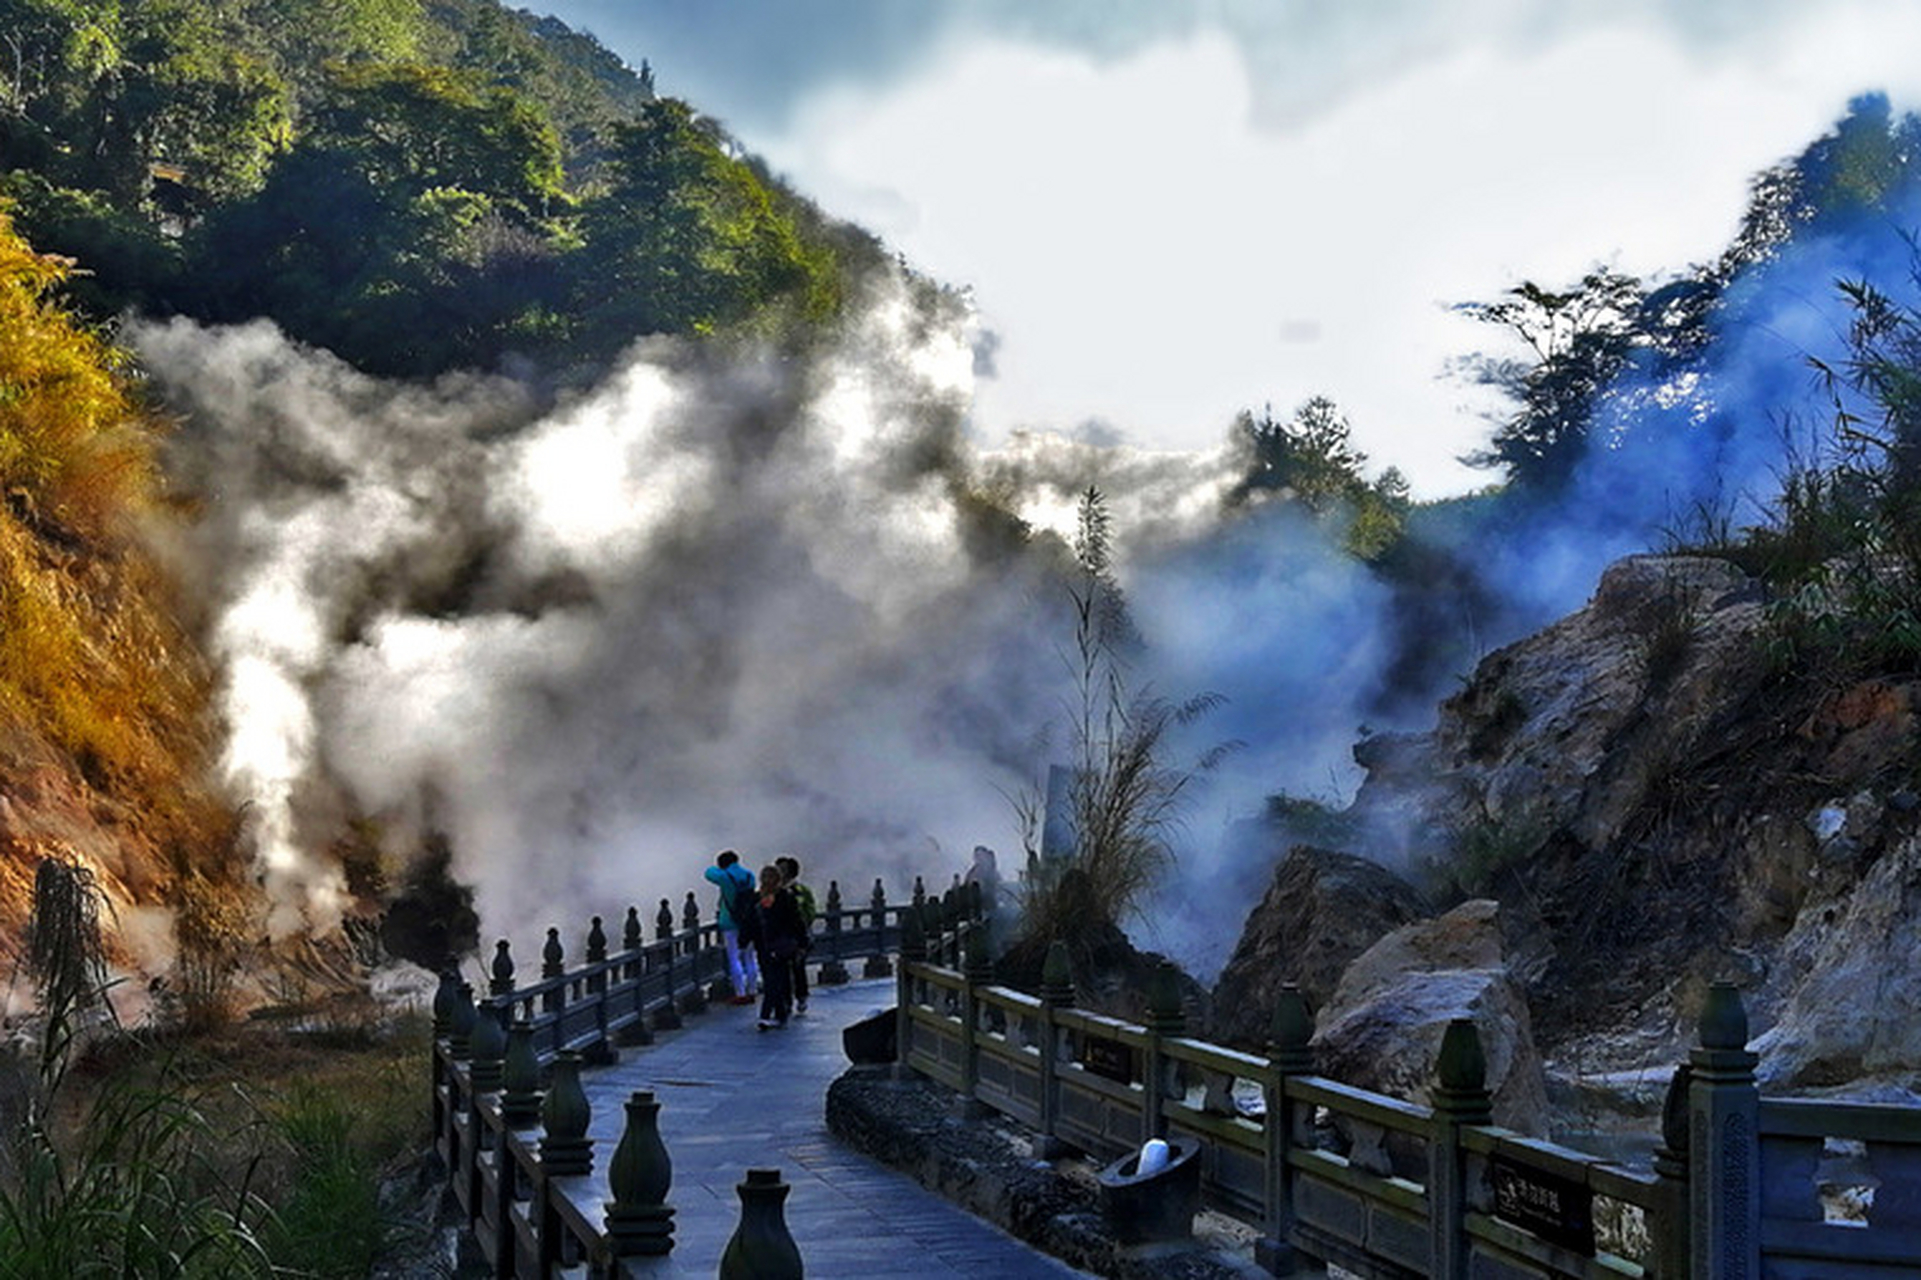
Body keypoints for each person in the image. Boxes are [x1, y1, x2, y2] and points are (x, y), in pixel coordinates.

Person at [752, 863, 807, 1029]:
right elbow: (796, 921)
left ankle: (768, 1015)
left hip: (775, 944)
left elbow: (795, 921)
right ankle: (780, 1011)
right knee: (776, 979)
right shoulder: (763, 896)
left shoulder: (782, 897)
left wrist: (801, 940)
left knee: (773, 980)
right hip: (770, 944)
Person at [703, 849, 760, 1005]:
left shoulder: (724, 876)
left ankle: (740, 992)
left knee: (734, 957)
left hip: (730, 921)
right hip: (748, 921)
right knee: (750, 957)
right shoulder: (749, 876)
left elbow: (708, 873)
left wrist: (720, 869)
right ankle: (753, 990)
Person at [776, 855, 816, 1013]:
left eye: (783, 869)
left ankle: (801, 996)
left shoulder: (801, 891)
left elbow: (811, 911)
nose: (780, 872)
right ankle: (786, 1000)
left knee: (798, 967)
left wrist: (802, 925)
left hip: (798, 935)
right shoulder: (772, 891)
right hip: (779, 936)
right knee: (782, 969)